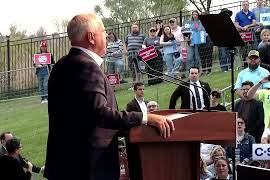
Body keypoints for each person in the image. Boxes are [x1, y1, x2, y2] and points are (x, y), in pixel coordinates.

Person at [44, 13, 174, 180]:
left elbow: (80, 116)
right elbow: (100, 114)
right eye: (103, 31)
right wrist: (147, 118)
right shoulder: (86, 66)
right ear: (91, 37)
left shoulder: (61, 65)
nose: (106, 35)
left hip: (64, 165)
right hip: (88, 168)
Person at [234, 0, 257, 68]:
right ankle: (245, 64)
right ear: (242, 6)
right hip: (242, 34)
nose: (245, 6)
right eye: (244, 4)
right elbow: (236, 24)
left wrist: (248, 26)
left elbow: (254, 23)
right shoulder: (238, 14)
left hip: (251, 32)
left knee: (254, 47)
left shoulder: (252, 13)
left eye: (246, 4)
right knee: (243, 49)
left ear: (248, 5)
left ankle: (255, 61)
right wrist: (242, 28)